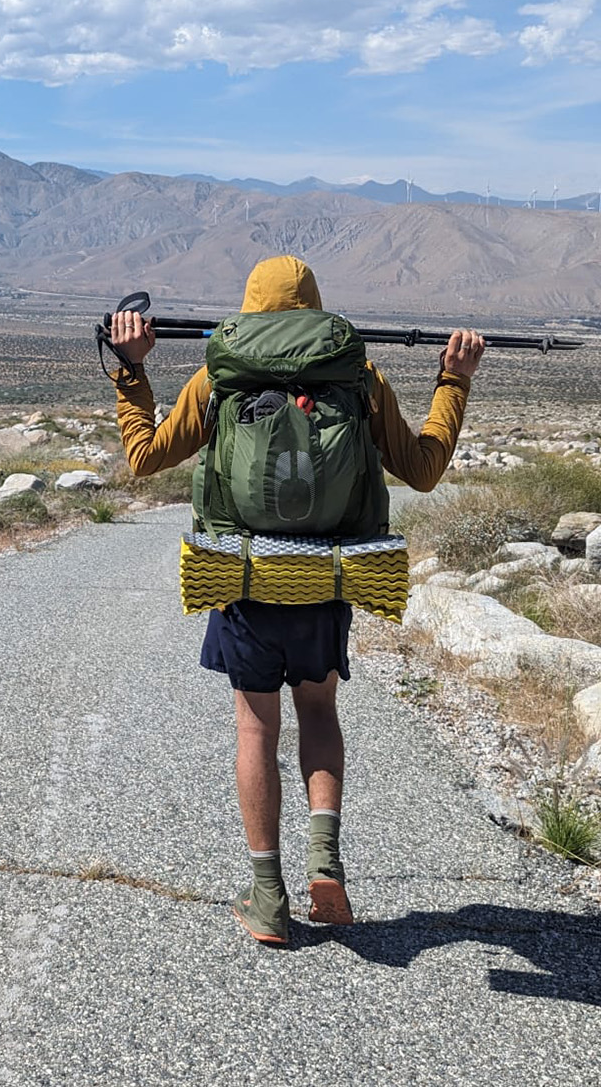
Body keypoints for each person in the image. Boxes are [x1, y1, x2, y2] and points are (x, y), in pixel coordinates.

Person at [108, 255, 485, 941]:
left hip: (245, 581)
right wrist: (453, 381)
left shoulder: (218, 377)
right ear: (314, 307)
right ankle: (327, 867)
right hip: (326, 578)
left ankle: (267, 894)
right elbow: (425, 470)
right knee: (318, 711)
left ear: (251, 308)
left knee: (256, 730)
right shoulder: (358, 377)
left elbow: (144, 457)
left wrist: (131, 370)